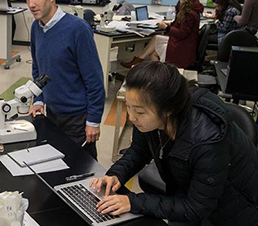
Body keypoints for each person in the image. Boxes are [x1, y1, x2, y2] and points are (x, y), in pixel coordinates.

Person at [90, 61, 258, 226]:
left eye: (140, 111)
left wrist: (133, 202)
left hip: (233, 209)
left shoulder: (207, 141)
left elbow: (197, 208)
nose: (132, 117)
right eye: (128, 106)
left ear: (168, 109)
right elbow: (139, 151)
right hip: (189, 193)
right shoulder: (151, 119)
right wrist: (116, 174)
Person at [25, 0, 105, 159]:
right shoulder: (36, 27)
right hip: (51, 115)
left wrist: (93, 120)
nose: (31, 4)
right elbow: (38, 70)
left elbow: (95, 81)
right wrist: (38, 100)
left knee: (82, 171)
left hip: (77, 119)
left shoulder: (78, 29)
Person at [121, 0, 204, 69]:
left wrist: (166, 28)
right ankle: (139, 60)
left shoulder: (189, 13)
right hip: (184, 43)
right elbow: (181, 25)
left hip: (182, 47)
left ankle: (161, 73)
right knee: (156, 38)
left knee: (153, 54)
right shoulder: (191, 9)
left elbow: (181, 33)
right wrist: (169, 24)